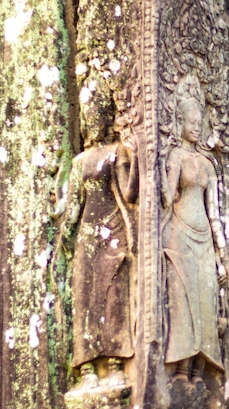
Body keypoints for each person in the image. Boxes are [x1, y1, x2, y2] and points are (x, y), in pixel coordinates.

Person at [58, 97, 138, 389]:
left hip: (113, 229)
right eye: (88, 116)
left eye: (98, 115)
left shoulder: (117, 152)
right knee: (85, 298)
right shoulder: (79, 162)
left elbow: (129, 195)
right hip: (88, 235)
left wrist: (137, 158)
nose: (93, 120)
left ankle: (116, 362)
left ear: (107, 119)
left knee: (115, 295)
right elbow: (75, 204)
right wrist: (65, 236)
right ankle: (87, 367)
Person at [161, 97, 229, 384]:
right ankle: (180, 367)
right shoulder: (176, 157)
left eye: (199, 123)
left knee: (205, 303)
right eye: (191, 123)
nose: (196, 128)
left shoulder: (207, 164)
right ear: (181, 124)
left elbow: (214, 213)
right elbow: (166, 198)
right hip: (179, 235)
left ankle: (200, 369)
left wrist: (222, 255)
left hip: (203, 240)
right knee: (182, 302)